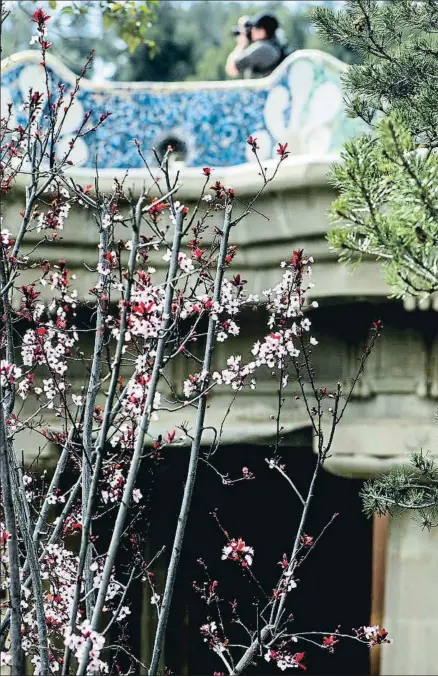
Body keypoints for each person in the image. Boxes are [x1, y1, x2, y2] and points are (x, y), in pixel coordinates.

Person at [226, 12, 290, 80]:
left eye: (254, 27)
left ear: (262, 32)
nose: (251, 31)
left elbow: (232, 69)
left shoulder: (262, 48)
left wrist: (241, 45)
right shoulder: (274, 46)